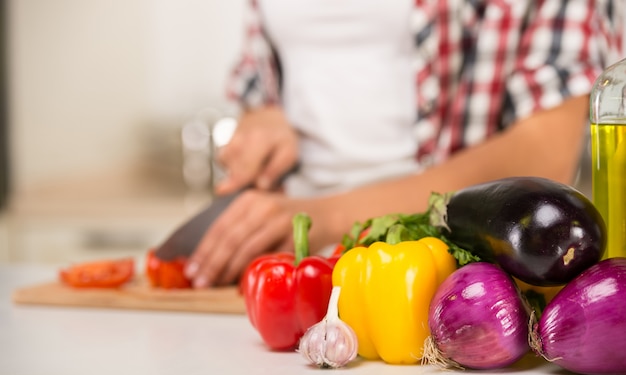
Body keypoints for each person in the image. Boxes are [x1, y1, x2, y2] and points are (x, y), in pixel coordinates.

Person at [184, 0, 624, 287]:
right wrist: (265, 119)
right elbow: (274, 75)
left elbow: (544, 152)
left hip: (444, 275)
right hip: (292, 265)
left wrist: (327, 216)